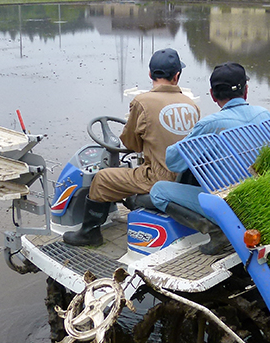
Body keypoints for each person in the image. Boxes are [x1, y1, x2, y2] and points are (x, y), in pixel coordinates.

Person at [63, 48, 200, 247]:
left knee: (101, 179)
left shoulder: (142, 102)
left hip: (157, 178)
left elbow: (131, 144)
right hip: (184, 179)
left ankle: (89, 233)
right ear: (177, 76)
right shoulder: (191, 105)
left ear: (150, 74)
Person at [148, 62, 270, 254]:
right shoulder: (265, 115)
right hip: (259, 197)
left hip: (228, 205)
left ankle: (217, 231)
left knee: (158, 191)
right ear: (246, 91)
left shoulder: (210, 125)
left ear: (213, 95)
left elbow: (173, 162)